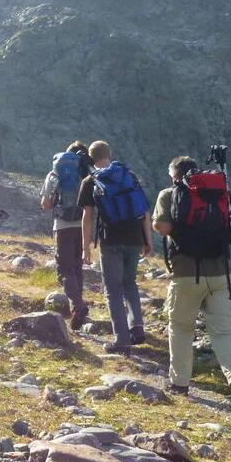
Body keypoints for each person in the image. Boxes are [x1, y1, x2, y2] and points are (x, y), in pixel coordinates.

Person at [153, 155, 231, 416]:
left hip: (186, 273)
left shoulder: (169, 194)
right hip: (222, 273)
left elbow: (163, 227)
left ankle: (179, 383)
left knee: (181, 327)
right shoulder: (219, 194)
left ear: (175, 175)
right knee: (224, 331)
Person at [79, 141, 153, 346]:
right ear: (109, 155)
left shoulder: (90, 181)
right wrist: (147, 240)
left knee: (112, 290)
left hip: (110, 239)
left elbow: (87, 216)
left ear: (91, 159)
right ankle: (136, 327)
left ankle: (121, 341)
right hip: (134, 239)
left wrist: (85, 247)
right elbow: (144, 210)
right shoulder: (129, 176)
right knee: (130, 283)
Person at [41, 141, 90, 321]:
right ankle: (78, 308)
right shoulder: (86, 174)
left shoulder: (54, 174)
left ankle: (78, 305)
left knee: (64, 269)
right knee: (77, 267)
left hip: (62, 226)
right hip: (83, 225)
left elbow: (46, 205)